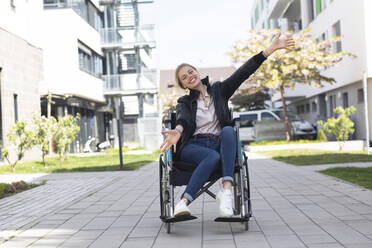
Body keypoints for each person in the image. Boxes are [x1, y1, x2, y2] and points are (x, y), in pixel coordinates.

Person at [160, 33, 295, 217]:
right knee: (212, 157)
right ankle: (183, 203)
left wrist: (269, 50)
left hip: (218, 143)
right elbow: (183, 119)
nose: (189, 76)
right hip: (193, 147)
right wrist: (177, 130)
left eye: (190, 71)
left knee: (228, 131)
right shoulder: (184, 101)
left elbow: (243, 73)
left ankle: (227, 191)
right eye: (184, 77)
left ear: (197, 72)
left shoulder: (219, 90)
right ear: (184, 85)